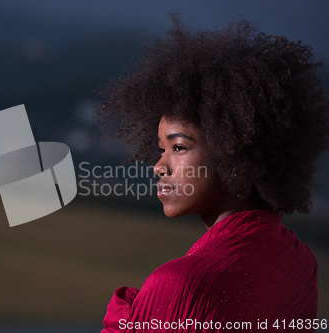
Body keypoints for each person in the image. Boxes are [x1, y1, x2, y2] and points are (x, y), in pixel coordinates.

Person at [98, 13, 328, 332]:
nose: (158, 166)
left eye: (178, 147)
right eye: (160, 149)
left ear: (234, 152)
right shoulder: (301, 262)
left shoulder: (179, 284)